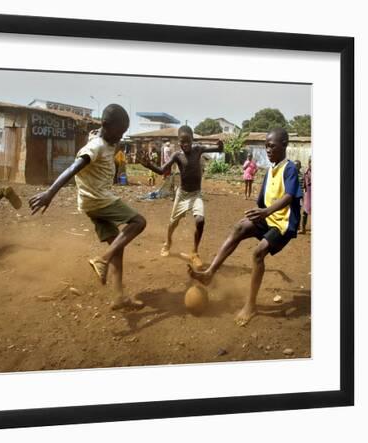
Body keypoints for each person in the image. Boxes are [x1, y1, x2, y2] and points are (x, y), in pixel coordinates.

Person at [29, 104, 146, 310]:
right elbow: (73, 168)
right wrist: (50, 193)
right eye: (119, 133)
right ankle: (102, 260)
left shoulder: (103, 140)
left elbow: (100, 138)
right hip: (100, 200)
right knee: (139, 222)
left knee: (117, 247)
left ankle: (119, 296)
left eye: (123, 134)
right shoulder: (96, 146)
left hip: (91, 203)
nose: (120, 138)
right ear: (106, 126)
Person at [189, 128, 302, 326]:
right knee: (239, 227)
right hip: (268, 217)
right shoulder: (270, 170)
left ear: (284, 144)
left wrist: (265, 212)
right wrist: (258, 212)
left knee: (258, 253)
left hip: (283, 224)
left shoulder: (290, 168)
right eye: (266, 145)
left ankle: (251, 305)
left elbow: (289, 197)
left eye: (272, 145)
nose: (267, 149)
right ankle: (209, 273)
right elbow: (262, 200)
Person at [140, 125, 223, 267]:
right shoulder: (177, 155)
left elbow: (218, 150)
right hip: (182, 195)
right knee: (173, 223)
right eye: (181, 141)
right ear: (178, 141)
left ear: (192, 140)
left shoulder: (198, 149)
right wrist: (149, 165)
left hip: (196, 194)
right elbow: (161, 171)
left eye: (187, 141)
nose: (184, 144)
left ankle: (194, 252)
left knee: (200, 220)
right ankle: (167, 243)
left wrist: (220, 145)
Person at [300, 157, 311, 234]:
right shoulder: (306, 172)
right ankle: (303, 229)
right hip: (308, 194)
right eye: (310, 162)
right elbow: (304, 184)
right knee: (305, 212)